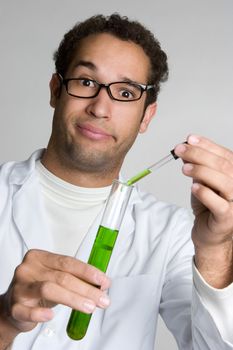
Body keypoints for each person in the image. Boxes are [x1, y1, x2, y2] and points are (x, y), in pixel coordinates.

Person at [0, 13, 233, 350]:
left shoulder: (172, 233)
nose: (100, 107)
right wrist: (4, 320)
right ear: (56, 90)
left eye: (125, 92)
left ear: (146, 116)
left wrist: (215, 251)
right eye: (85, 82)